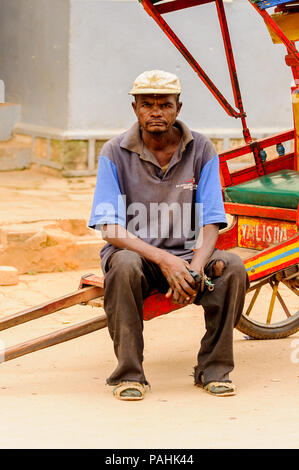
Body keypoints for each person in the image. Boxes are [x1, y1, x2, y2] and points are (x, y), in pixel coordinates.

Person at [88, 70, 249, 401]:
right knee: (124, 266)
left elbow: (212, 220)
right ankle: (129, 374)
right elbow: (111, 228)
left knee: (232, 267)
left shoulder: (201, 148)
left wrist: (194, 268)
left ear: (178, 107)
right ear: (135, 108)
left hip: (190, 254)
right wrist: (164, 260)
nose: (156, 112)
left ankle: (214, 369)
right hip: (139, 258)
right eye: (147, 104)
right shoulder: (114, 151)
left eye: (165, 104)